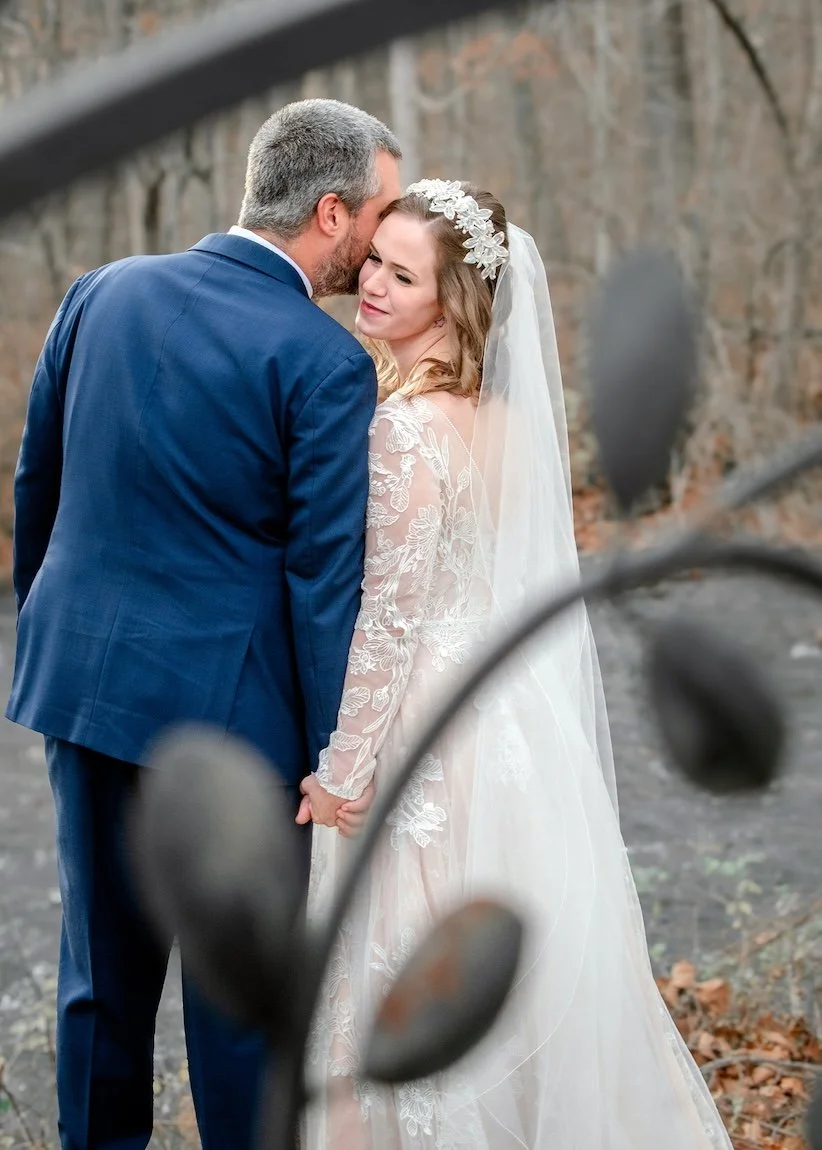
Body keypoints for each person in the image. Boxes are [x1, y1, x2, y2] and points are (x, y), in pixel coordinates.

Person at [298, 180, 734, 1149]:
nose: (373, 284)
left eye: (403, 276)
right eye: (375, 262)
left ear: (451, 303)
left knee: (404, 972)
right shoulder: (505, 423)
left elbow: (391, 620)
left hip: (428, 727)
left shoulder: (404, 430)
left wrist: (342, 772)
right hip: (513, 716)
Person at [6, 99, 401, 1150]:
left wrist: (51, 631)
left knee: (99, 980)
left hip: (84, 693)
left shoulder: (101, 291)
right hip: (235, 730)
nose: (381, 245)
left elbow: (38, 485)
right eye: (380, 215)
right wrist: (336, 755)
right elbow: (322, 582)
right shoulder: (324, 363)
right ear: (331, 212)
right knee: (238, 1007)